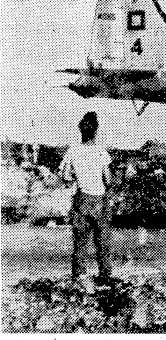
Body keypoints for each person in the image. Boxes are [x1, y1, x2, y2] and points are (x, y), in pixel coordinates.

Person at [58, 111, 113, 286]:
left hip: (82, 198)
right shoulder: (101, 152)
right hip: (100, 200)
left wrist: (77, 175)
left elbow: (66, 176)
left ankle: (79, 277)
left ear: (80, 130)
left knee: (80, 241)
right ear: (96, 130)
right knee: (102, 241)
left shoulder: (72, 150)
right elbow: (108, 180)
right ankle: (105, 277)